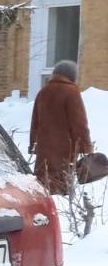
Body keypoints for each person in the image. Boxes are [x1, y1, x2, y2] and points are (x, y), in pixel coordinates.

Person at [30, 60, 93, 196]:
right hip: (64, 151)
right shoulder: (71, 92)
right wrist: (85, 147)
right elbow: (79, 123)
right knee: (61, 189)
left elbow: (35, 122)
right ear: (72, 76)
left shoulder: (43, 92)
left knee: (43, 188)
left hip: (43, 150)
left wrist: (33, 145)